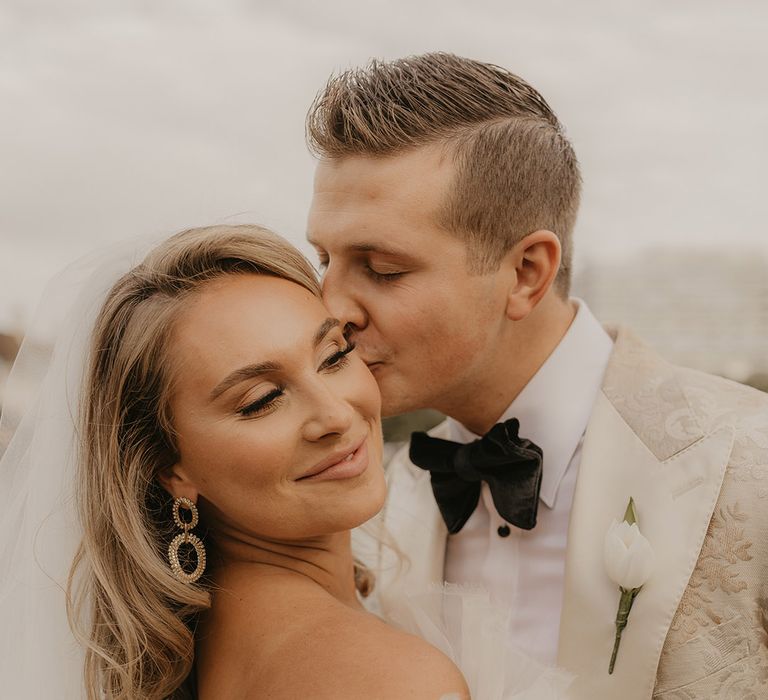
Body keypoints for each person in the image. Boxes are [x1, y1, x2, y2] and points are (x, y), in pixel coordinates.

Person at [306, 52, 768, 699]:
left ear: (526, 273)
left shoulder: (751, 464)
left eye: (382, 268)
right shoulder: (363, 513)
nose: (331, 308)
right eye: (324, 259)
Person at [0, 224, 469, 699]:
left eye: (333, 356)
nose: (335, 414)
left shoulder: (206, 652)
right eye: (262, 399)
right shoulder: (389, 680)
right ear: (169, 468)